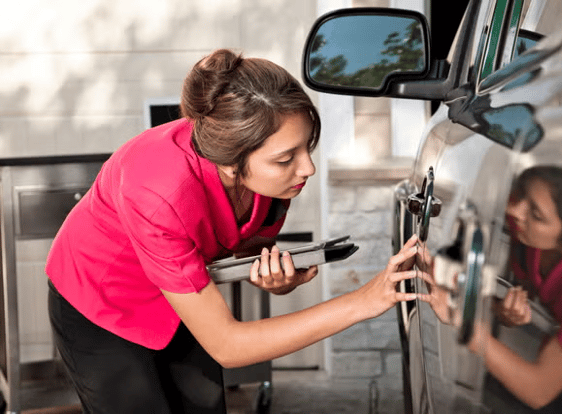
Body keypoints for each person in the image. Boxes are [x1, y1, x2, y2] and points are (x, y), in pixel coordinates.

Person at [46, 49, 423, 414]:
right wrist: (362, 301)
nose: (307, 168)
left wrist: (275, 278)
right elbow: (227, 345)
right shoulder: (159, 192)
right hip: (102, 300)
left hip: (183, 298)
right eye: (286, 158)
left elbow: (251, 246)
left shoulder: (272, 184)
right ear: (229, 162)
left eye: (306, 147)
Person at [422, 165, 562, 414]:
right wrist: (501, 310)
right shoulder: (529, 231)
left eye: (535, 214)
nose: (514, 210)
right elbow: (524, 286)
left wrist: (463, 320)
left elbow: (539, 389)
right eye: (521, 196)